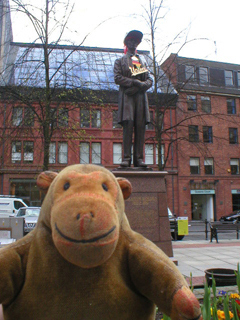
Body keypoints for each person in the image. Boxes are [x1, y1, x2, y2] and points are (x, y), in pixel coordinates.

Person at [114, 30, 153, 168]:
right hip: (128, 98)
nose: (133, 43)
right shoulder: (120, 61)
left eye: (135, 41)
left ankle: (139, 159)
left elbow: (149, 80)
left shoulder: (139, 61)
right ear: (127, 43)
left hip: (140, 98)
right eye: (130, 41)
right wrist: (134, 83)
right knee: (128, 125)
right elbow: (117, 78)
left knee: (140, 126)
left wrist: (140, 85)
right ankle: (126, 158)